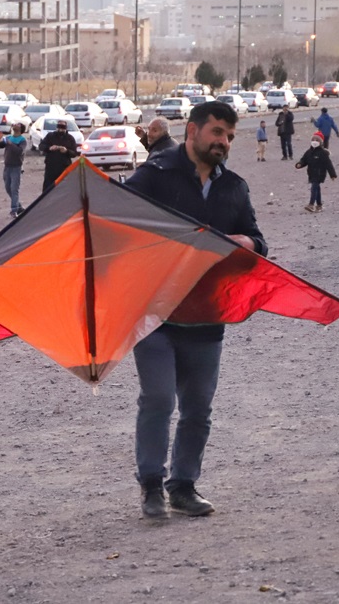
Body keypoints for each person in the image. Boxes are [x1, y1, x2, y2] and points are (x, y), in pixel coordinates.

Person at [123, 101, 268, 519]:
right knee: (158, 398)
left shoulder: (235, 188)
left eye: (229, 136)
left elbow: (259, 240)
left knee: (199, 408)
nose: (224, 142)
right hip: (156, 313)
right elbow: (118, 220)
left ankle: (183, 486)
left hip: (208, 315)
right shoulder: (156, 173)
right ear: (193, 131)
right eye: (217, 133)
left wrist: (251, 245)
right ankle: (151, 484)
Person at [295, 131, 337, 212]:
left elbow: (329, 164)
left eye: (317, 140)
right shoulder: (309, 152)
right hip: (311, 173)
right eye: (313, 140)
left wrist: (332, 175)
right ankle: (319, 205)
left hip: (319, 173)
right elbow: (304, 160)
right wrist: (299, 164)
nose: (314, 141)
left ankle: (311, 204)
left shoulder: (323, 153)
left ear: (320, 142)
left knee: (314, 187)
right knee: (317, 188)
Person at [0, 123, 27, 217]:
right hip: (7, 166)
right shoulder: (8, 137)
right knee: (8, 188)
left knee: (14, 189)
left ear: (21, 129)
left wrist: (10, 144)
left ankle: (14, 210)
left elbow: (20, 152)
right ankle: (19, 207)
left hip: (16, 167)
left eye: (18, 125)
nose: (15, 125)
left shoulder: (22, 140)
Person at [38, 119, 78, 191]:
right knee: (48, 188)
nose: (60, 129)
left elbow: (74, 153)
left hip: (64, 167)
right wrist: (49, 148)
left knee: (63, 189)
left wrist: (66, 151)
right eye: (59, 127)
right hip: (51, 167)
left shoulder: (70, 138)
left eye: (62, 127)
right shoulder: (50, 136)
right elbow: (41, 146)